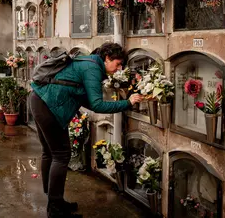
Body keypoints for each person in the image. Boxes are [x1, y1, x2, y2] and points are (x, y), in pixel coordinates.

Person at [30, 42, 143, 218]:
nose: (119, 68)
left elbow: (86, 100)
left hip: (39, 98)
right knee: (61, 155)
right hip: (48, 104)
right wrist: (127, 103)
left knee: (50, 152)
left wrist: (121, 103)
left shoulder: (87, 62)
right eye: (118, 63)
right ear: (106, 58)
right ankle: (55, 208)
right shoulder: (93, 69)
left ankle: (54, 200)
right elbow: (97, 105)